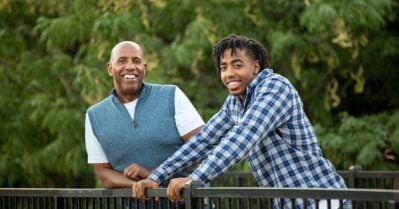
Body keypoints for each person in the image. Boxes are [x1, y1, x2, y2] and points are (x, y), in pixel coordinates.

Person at [132, 34, 350, 209]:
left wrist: (196, 178)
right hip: (286, 201)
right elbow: (202, 142)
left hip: (322, 199)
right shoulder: (235, 103)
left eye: (237, 65)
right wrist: (157, 176)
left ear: (256, 67)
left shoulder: (275, 88)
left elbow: (242, 138)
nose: (229, 73)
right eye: (224, 67)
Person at [84, 41, 204, 190]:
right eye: (122, 61)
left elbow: (201, 147)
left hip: (186, 202)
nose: (130, 66)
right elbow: (104, 174)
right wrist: (141, 187)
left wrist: (154, 174)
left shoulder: (171, 95)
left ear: (144, 68)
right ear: (110, 69)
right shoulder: (94, 115)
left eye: (136, 61)